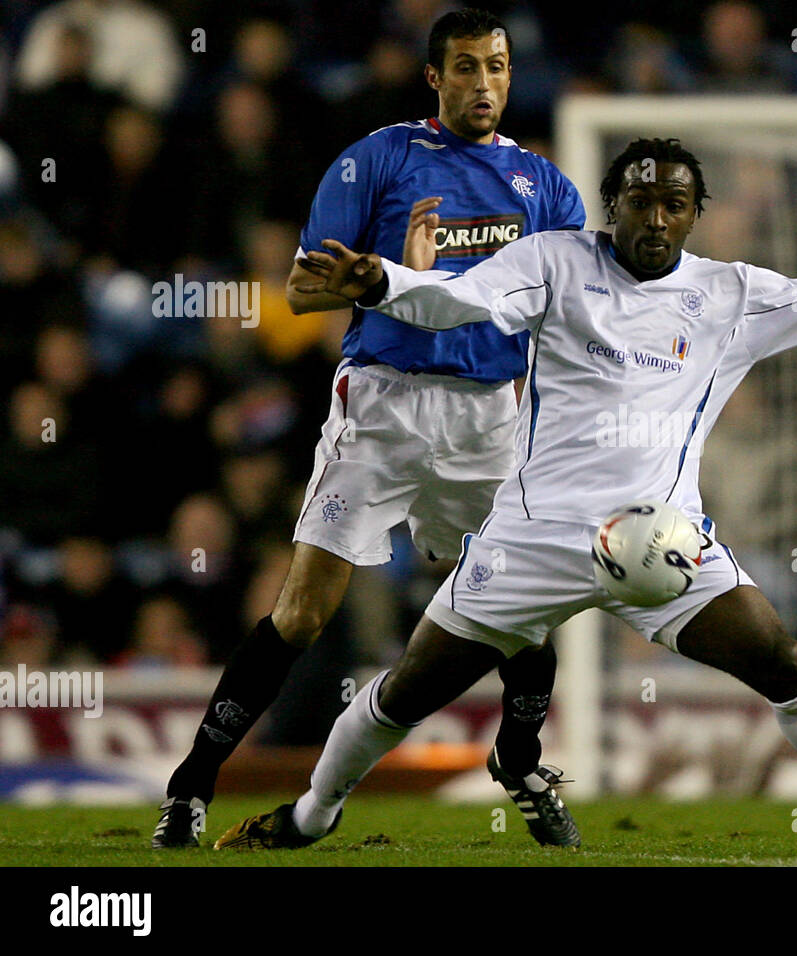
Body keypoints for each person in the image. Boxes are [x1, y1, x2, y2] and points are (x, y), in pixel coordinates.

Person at [216, 137, 797, 856]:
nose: (656, 217)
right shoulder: (554, 262)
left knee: (783, 660)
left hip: (663, 547)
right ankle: (308, 817)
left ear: (693, 214)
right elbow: (465, 301)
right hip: (532, 539)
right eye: (640, 200)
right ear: (613, 206)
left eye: (674, 203)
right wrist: (384, 285)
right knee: (407, 691)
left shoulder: (728, 296)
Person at [153, 9, 585, 850]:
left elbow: (568, 309)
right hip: (384, 405)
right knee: (303, 612)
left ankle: (520, 759)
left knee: (528, 612)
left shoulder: (546, 187)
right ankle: (190, 786)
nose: (484, 84)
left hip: (492, 415)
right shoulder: (380, 157)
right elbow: (303, 289)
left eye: (496, 67)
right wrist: (386, 279)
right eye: (465, 67)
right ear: (436, 77)